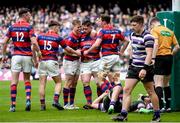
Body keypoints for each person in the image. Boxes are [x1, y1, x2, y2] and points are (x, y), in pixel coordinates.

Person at [112, 15, 160, 122]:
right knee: (126, 90)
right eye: (131, 25)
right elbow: (133, 50)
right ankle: (123, 114)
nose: (132, 27)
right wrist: (130, 63)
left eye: (134, 25)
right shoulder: (132, 34)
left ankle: (157, 115)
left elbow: (149, 54)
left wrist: (144, 68)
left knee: (150, 91)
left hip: (145, 68)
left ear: (141, 24)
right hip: (134, 67)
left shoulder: (148, 36)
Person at [84, 15, 129, 111]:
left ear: (104, 22)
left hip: (106, 58)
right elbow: (126, 41)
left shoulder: (102, 31)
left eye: (100, 21)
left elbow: (96, 45)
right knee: (116, 81)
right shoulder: (117, 30)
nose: (98, 22)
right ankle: (117, 102)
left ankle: (109, 93)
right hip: (116, 57)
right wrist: (121, 51)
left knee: (100, 79)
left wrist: (88, 51)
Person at [1, 8, 41, 112]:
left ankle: (13, 106)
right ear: (24, 15)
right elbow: (34, 42)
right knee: (27, 80)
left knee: (14, 81)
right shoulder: (29, 27)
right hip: (27, 56)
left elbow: (4, 42)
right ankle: (28, 100)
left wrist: (3, 55)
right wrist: (39, 52)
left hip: (16, 56)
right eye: (29, 15)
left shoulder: (12, 27)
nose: (30, 17)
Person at [36, 20, 81, 111]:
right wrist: (76, 52)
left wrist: (36, 58)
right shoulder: (57, 37)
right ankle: (55, 100)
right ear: (55, 27)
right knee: (59, 82)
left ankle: (42, 105)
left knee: (42, 84)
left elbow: (34, 46)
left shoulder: (40, 36)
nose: (59, 30)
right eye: (58, 28)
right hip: (52, 61)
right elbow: (67, 49)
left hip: (42, 61)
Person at [149, 17, 180, 112]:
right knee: (166, 83)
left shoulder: (154, 30)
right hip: (169, 57)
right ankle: (168, 106)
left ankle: (160, 106)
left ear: (152, 24)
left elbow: (156, 44)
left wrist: (153, 58)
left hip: (159, 57)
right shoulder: (169, 31)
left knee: (158, 82)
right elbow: (177, 47)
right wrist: (170, 53)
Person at [80, 20, 101, 109]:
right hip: (85, 63)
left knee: (99, 83)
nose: (84, 30)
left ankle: (100, 102)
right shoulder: (81, 36)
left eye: (86, 29)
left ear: (90, 28)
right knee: (85, 82)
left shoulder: (96, 35)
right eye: (83, 28)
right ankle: (89, 103)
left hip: (96, 61)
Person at [63, 19, 81, 109]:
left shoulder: (78, 36)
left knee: (74, 83)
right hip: (69, 61)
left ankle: (72, 104)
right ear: (73, 27)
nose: (79, 29)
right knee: (68, 82)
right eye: (78, 27)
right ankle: (66, 104)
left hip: (77, 61)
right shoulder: (70, 37)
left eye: (80, 27)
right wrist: (76, 53)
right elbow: (64, 51)